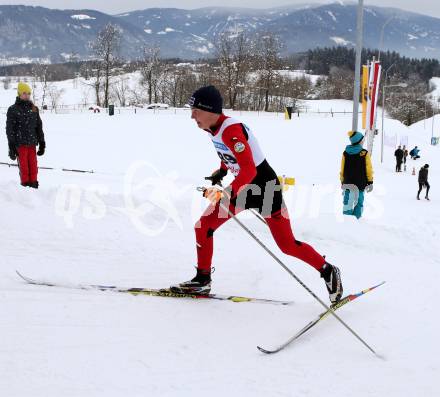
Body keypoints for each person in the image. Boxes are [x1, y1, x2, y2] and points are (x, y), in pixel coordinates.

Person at [171, 85, 343, 303]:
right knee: (203, 226)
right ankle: (202, 280)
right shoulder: (212, 128)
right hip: (242, 188)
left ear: (211, 110)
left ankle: (328, 270)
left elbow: (250, 169)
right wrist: (222, 171)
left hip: (264, 188)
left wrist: (226, 192)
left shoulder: (232, 130)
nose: (192, 115)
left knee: (287, 245)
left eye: (196, 110)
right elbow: (229, 154)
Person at [6, 82, 45, 188]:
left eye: (28, 93)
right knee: (24, 168)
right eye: (24, 93)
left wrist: (42, 143)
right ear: (19, 94)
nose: (27, 95)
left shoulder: (34, 109)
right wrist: (11, 146)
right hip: (20, 145)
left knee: (33, 166)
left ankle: (34, 185)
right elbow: (10, 130)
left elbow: (39, 127)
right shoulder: (13, 109)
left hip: (32, 144)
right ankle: (25, 187)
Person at [340, 131, 374, 219]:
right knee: (359, 203)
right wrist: (370, 181)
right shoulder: (364, 153)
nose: (363, 141)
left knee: (347, 203)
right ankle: (356, 223)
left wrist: (342, 181)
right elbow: (368, 169)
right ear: (359, 141)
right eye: (362, 140)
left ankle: (346, 222)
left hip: (347, 183)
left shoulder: (345, 153)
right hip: (360, 184)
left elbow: (342, 169)